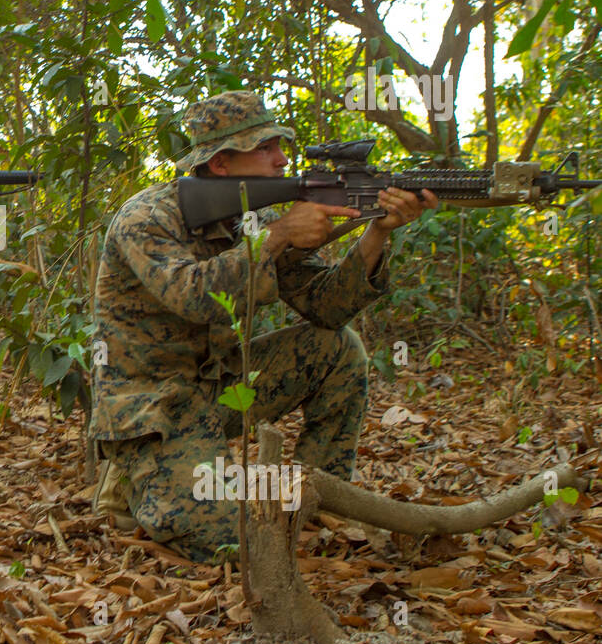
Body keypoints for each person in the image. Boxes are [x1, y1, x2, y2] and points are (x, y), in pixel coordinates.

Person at [89, 90, 437, 561]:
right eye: (265, 148)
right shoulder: (148, 217)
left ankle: (319, 497)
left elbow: (327, 307)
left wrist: (377, 230)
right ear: (220, 165)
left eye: (280, 145)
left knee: (337, 348)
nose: (281, 159)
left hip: (220, 388)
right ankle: (137, 473)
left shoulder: (256, 217)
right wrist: (276, 238)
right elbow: (193, 295)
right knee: (236, 544)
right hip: (149, 406)